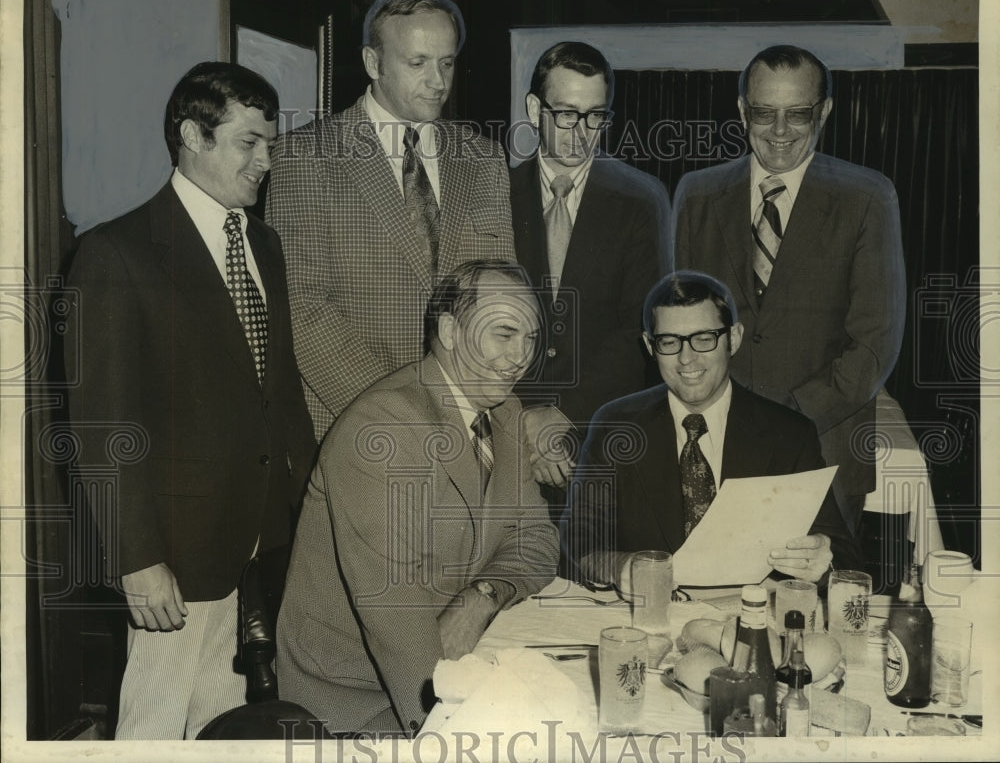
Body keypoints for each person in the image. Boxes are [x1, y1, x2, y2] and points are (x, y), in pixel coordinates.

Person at [64, 62, 317, 738]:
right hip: (171, 555)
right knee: (153, 728)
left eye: (270, 143)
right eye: (249, 143)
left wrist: (306, 512)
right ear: (191, 136)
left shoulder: (264, 243)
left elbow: (279, 393)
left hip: (258, 543)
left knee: (227, 725)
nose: (266, 160)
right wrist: (136, 558)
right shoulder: (115, 253)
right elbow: (101, 426)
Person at [277, 260, 560, 735]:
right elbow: (397, 617)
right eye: (505, 334)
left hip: (462, 664)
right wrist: (450, 732)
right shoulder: (383, 430)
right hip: (362, 701)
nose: (520, 358)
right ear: (450, 331)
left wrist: (481, 597)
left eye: (530, 339)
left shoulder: (505, 415)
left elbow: (537, 543)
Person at [265, 0, 516, 444]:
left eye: (446, 62)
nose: (437, 81)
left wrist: (482, 411)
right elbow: (301, 308)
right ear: (372, 63)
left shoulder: (484, 159)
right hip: (355, 429)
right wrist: (403, 414)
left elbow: (501, 301)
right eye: (417, 63)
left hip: (467, 428)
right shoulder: (305, 156)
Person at [673, 44, 906, 531]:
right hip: (715, 448)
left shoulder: (868, 196)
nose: (780, 132)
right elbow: (679, 325)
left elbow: (873, 345)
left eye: (798, 114)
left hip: (823, 452)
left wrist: (782, 422)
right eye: (764, 112)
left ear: (825, 111)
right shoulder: (696, 193)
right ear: (742, 111)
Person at [562, 271, 862, 590]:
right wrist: (618, 565)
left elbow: (845, 559)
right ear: (650, 346)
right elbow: (578, 540)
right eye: (669, 342)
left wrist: (822, 563)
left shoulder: (789, 433)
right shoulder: (616, 426)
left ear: (733, 338)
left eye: (704, 338)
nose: (686, 358)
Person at [509, 41, 669, 499]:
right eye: (566, 114)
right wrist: (525, 420)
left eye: (596, 116)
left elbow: (637, 328)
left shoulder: (642, 200)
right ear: (534, 107)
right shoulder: (495, 191)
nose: (582, 132)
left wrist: (560, 416)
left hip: (598, 435)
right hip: (506, 434)